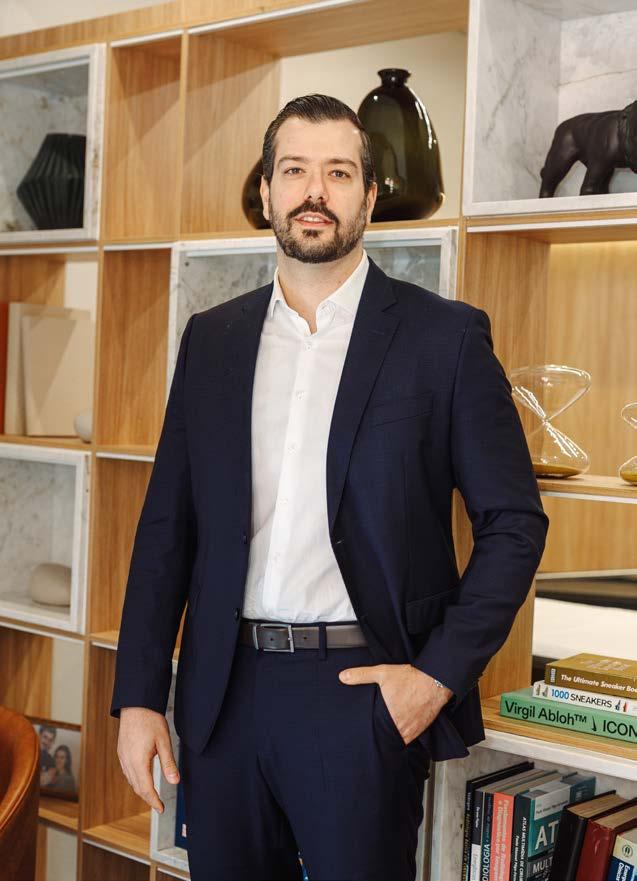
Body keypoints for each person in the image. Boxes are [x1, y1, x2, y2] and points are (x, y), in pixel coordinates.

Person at [110, 94, 549, 881]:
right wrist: (139, 695)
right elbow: (167, 527)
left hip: (359, 696)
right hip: (221, 696)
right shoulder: (211, 339)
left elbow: (513, 522)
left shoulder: (443, 339)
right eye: (294, 171)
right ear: (267, 191)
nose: (314, 191)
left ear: (369, 196)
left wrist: (434, 679)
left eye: (338, 173)